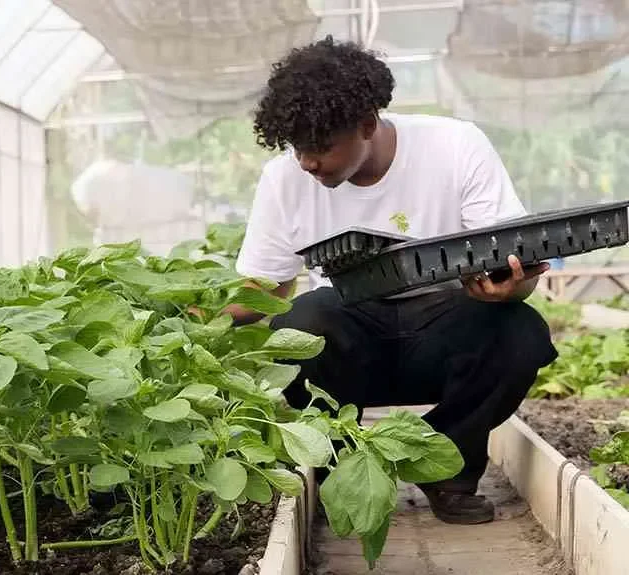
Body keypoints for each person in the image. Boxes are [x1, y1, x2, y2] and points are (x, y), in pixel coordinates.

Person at [230, 37, 558, 525]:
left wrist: (513, 287)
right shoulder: (284, 178)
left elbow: (512, 261)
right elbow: (268, 287)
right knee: (301, 322)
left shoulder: (454, 145)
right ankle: (345, 474)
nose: (306, 162)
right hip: (351, 343)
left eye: (320, 146)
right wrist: (190, 323)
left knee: (520, 331)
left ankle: (442, 466)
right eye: (297, 147)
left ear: (367, 124)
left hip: (443, 331)